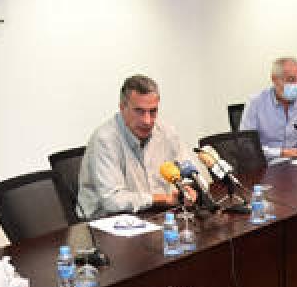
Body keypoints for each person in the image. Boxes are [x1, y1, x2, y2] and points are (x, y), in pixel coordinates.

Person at [77, 74, 204, 219]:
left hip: (154, 216)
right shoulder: (104, 140)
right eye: (139, 111)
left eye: (153, 111)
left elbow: (188, 170)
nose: (147, 121)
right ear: (122, 108)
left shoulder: (166, 132)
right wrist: (164, 199)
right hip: (105, 224)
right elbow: (113, 201)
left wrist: (188, 189)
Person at [242, 56, 297, 160]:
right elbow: (246, 146)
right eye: (291, 80)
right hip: (267, 166)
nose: (296, 85)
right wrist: (280, 153)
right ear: (274, 79)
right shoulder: (255, 103)